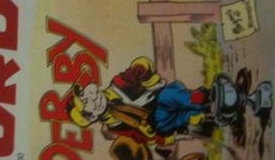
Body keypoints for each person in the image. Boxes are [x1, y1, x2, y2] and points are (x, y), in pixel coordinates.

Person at [66, 57, 210, 146]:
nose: (90, 96)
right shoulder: (115, 126)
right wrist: (165, 140)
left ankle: (197, 98)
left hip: (161, 97)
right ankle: (191, 115)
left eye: (83, 93)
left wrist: (148, 78)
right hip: (158, 121)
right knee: (166, 120)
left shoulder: (118, 84)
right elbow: (138, 136)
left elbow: (138, 67)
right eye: (85, 102)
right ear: (92, 117)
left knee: (169, 95)